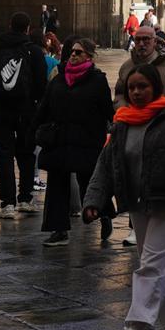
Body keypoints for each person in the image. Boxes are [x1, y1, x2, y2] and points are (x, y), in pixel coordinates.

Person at [82, 62, 165, 330]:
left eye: (142, 87)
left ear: (155, 88)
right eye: (132, 87)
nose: (136, 92)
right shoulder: (122, 121)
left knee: (150, 263)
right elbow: (106, 164)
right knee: (158, 265)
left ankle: (133, 329)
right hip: (138, 202)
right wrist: (94, 200)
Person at [112, 23, 165, 246]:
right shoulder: (127, 66)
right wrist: (123, 110)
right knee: (133, 173)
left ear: (155, 41)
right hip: (133, 124)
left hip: (163, 127)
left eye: (146, 40)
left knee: (156, 175)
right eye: (138, 40)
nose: (142, 44)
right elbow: (119, 93)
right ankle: (134, 227)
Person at [32, 38, 114, 246]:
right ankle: (58, 230)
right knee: (57, 186)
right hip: (60, 140)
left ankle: (104, 215)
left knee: (89, 182)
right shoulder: (59, 80)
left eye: (78, 52)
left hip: (86, 140)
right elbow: (44, 108)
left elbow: (107, 111)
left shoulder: (97, 80)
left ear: (89, 56)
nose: (73, 55)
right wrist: (35, 128)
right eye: (72, 52)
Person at [0, 11, 48, 215]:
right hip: (26, 111)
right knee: (27, 155)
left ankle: (7, 203)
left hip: (2, 109)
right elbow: (41, 83)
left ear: (10, 25)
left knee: (4, 155)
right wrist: (32, 102)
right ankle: (25, 199)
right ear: (28, 28)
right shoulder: (34, 51)